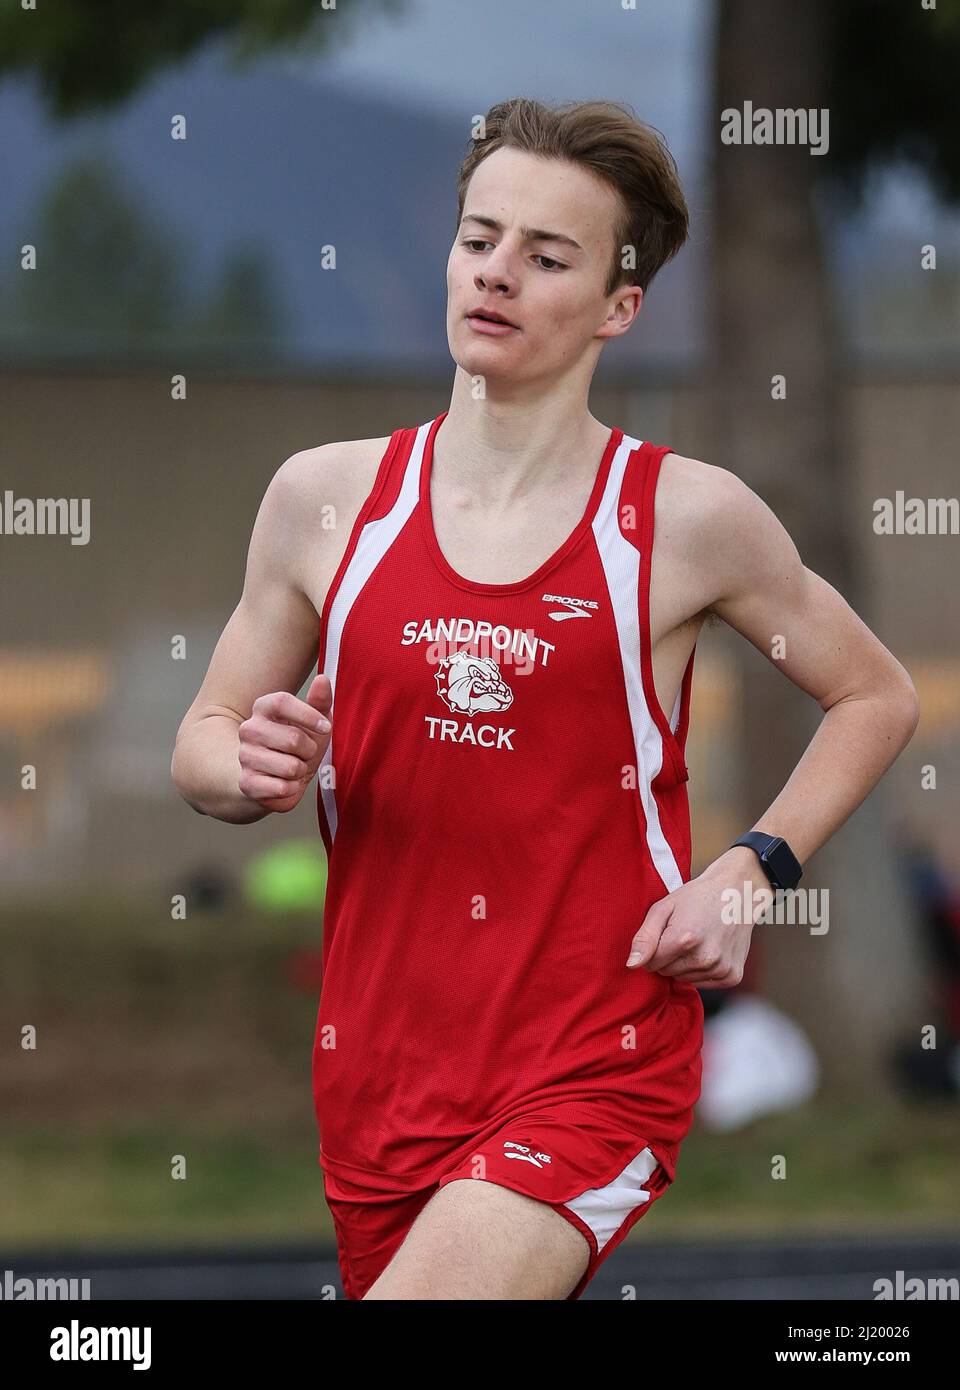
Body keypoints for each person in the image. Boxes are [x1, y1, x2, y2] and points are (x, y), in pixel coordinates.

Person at [171, 97, 920, 1300]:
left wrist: (750, 870)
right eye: (480, 239)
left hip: (593, 1059)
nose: (498, 274)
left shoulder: (686, 518)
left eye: (547, 254)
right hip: (379, 1076)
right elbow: (202, 744)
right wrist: (246, 765)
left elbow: (874, 695)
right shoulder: (323, 498)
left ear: (621, 307)